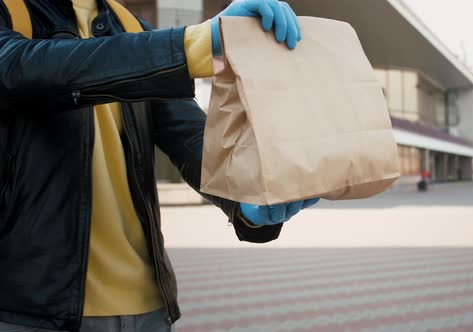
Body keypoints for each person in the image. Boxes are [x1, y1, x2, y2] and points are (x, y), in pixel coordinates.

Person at [0, 0, 318, 331]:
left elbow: (189, 135)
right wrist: (189, 44)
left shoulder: (130, 26)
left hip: (148, 307)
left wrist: (245, 198)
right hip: (30, 310)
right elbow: (19, 70)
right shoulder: (11, 12)